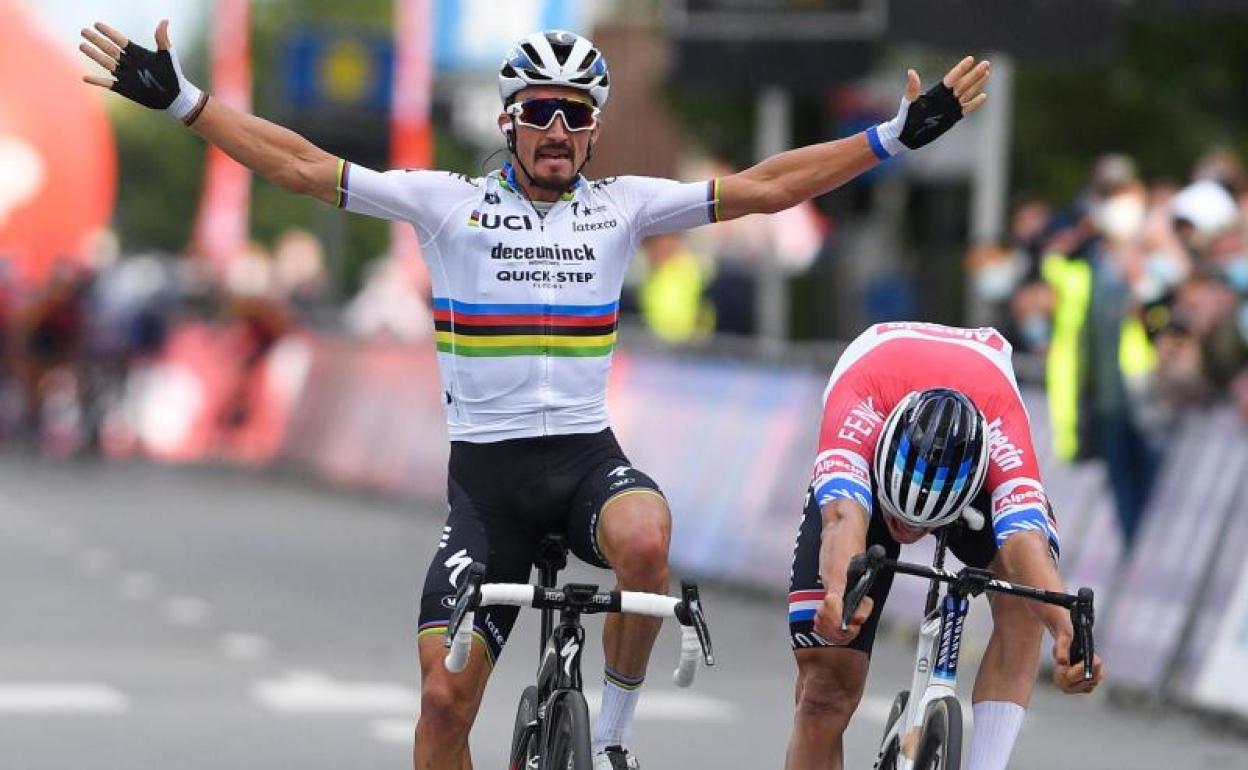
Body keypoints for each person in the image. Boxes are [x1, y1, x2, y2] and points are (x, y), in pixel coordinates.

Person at [80, 19, 991, 769]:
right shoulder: (446, 203)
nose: (558, 128)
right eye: (541, 111)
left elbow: (765, 187)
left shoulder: (623, 205)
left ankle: (613, 740)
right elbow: (302, 167)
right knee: (443, 707)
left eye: (576, 113)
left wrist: (891, 137)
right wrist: (186, 101)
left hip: (587, 462)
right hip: (489, 489)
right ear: (509, 122)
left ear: (593, 130)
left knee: (649, 537)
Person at [787, 322, 1104, 770]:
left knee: (1023, 601)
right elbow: (842, 518)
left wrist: (1065, 628)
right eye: (900, 519)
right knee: (824, 690)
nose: (909, 530)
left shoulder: (1002, 437)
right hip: (882, 409)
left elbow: (1024, 542)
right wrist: (841, 594)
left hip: (974, 441)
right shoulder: (858, 410)